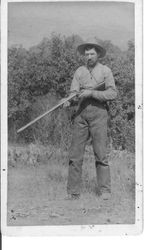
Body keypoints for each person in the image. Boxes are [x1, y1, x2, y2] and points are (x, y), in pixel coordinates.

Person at [63, 38, 117, 200]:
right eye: (86, 54)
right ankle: (73, 192)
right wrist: (68, 100)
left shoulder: (105, 71)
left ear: (98, 54)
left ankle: (105, 191)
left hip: (99, 114)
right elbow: (74, 92)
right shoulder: (79, 71)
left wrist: (92, 93)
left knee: (101, 154)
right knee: (75, 155)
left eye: (92, 53)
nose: (89, 57)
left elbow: (113, 93)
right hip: (81, 115)